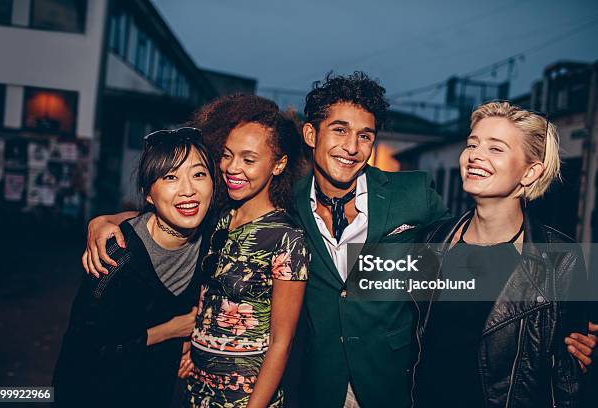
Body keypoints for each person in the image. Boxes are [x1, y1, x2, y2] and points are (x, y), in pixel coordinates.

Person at [83, 74, 596, 408]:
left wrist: (578, 340)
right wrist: (114, 218)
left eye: (366, 135)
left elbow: (505, 282)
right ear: (310, 136)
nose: (352, 147)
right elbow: (196, 210)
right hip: (314, 385)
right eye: (339, 131)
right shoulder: (283, 207)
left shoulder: (417, 200)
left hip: (393, 388)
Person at [83, 94, 310, 408]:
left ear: (279, 164)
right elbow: (160, 215)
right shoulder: (219, 217)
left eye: (248, 159)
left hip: (245, 398)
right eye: (227, 155)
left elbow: (281, 344)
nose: (232, 167)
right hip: (195, 391)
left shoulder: (287, 238)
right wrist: (104, 220)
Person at [410, 101, 589, 407]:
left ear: (530, 172)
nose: (475, 155)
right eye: (472, 144)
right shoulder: (432, 240)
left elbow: (570, 374)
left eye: (496, 148)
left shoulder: (561, 258)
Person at [53, 127, 216, 407]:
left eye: (199, 174)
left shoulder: (211, 240)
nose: (189, 189)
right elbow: (84, 354)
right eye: (170, 177)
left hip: (153, 390)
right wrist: (171, 330)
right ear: (149, 194)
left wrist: (190, 347)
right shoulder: (115, 256)